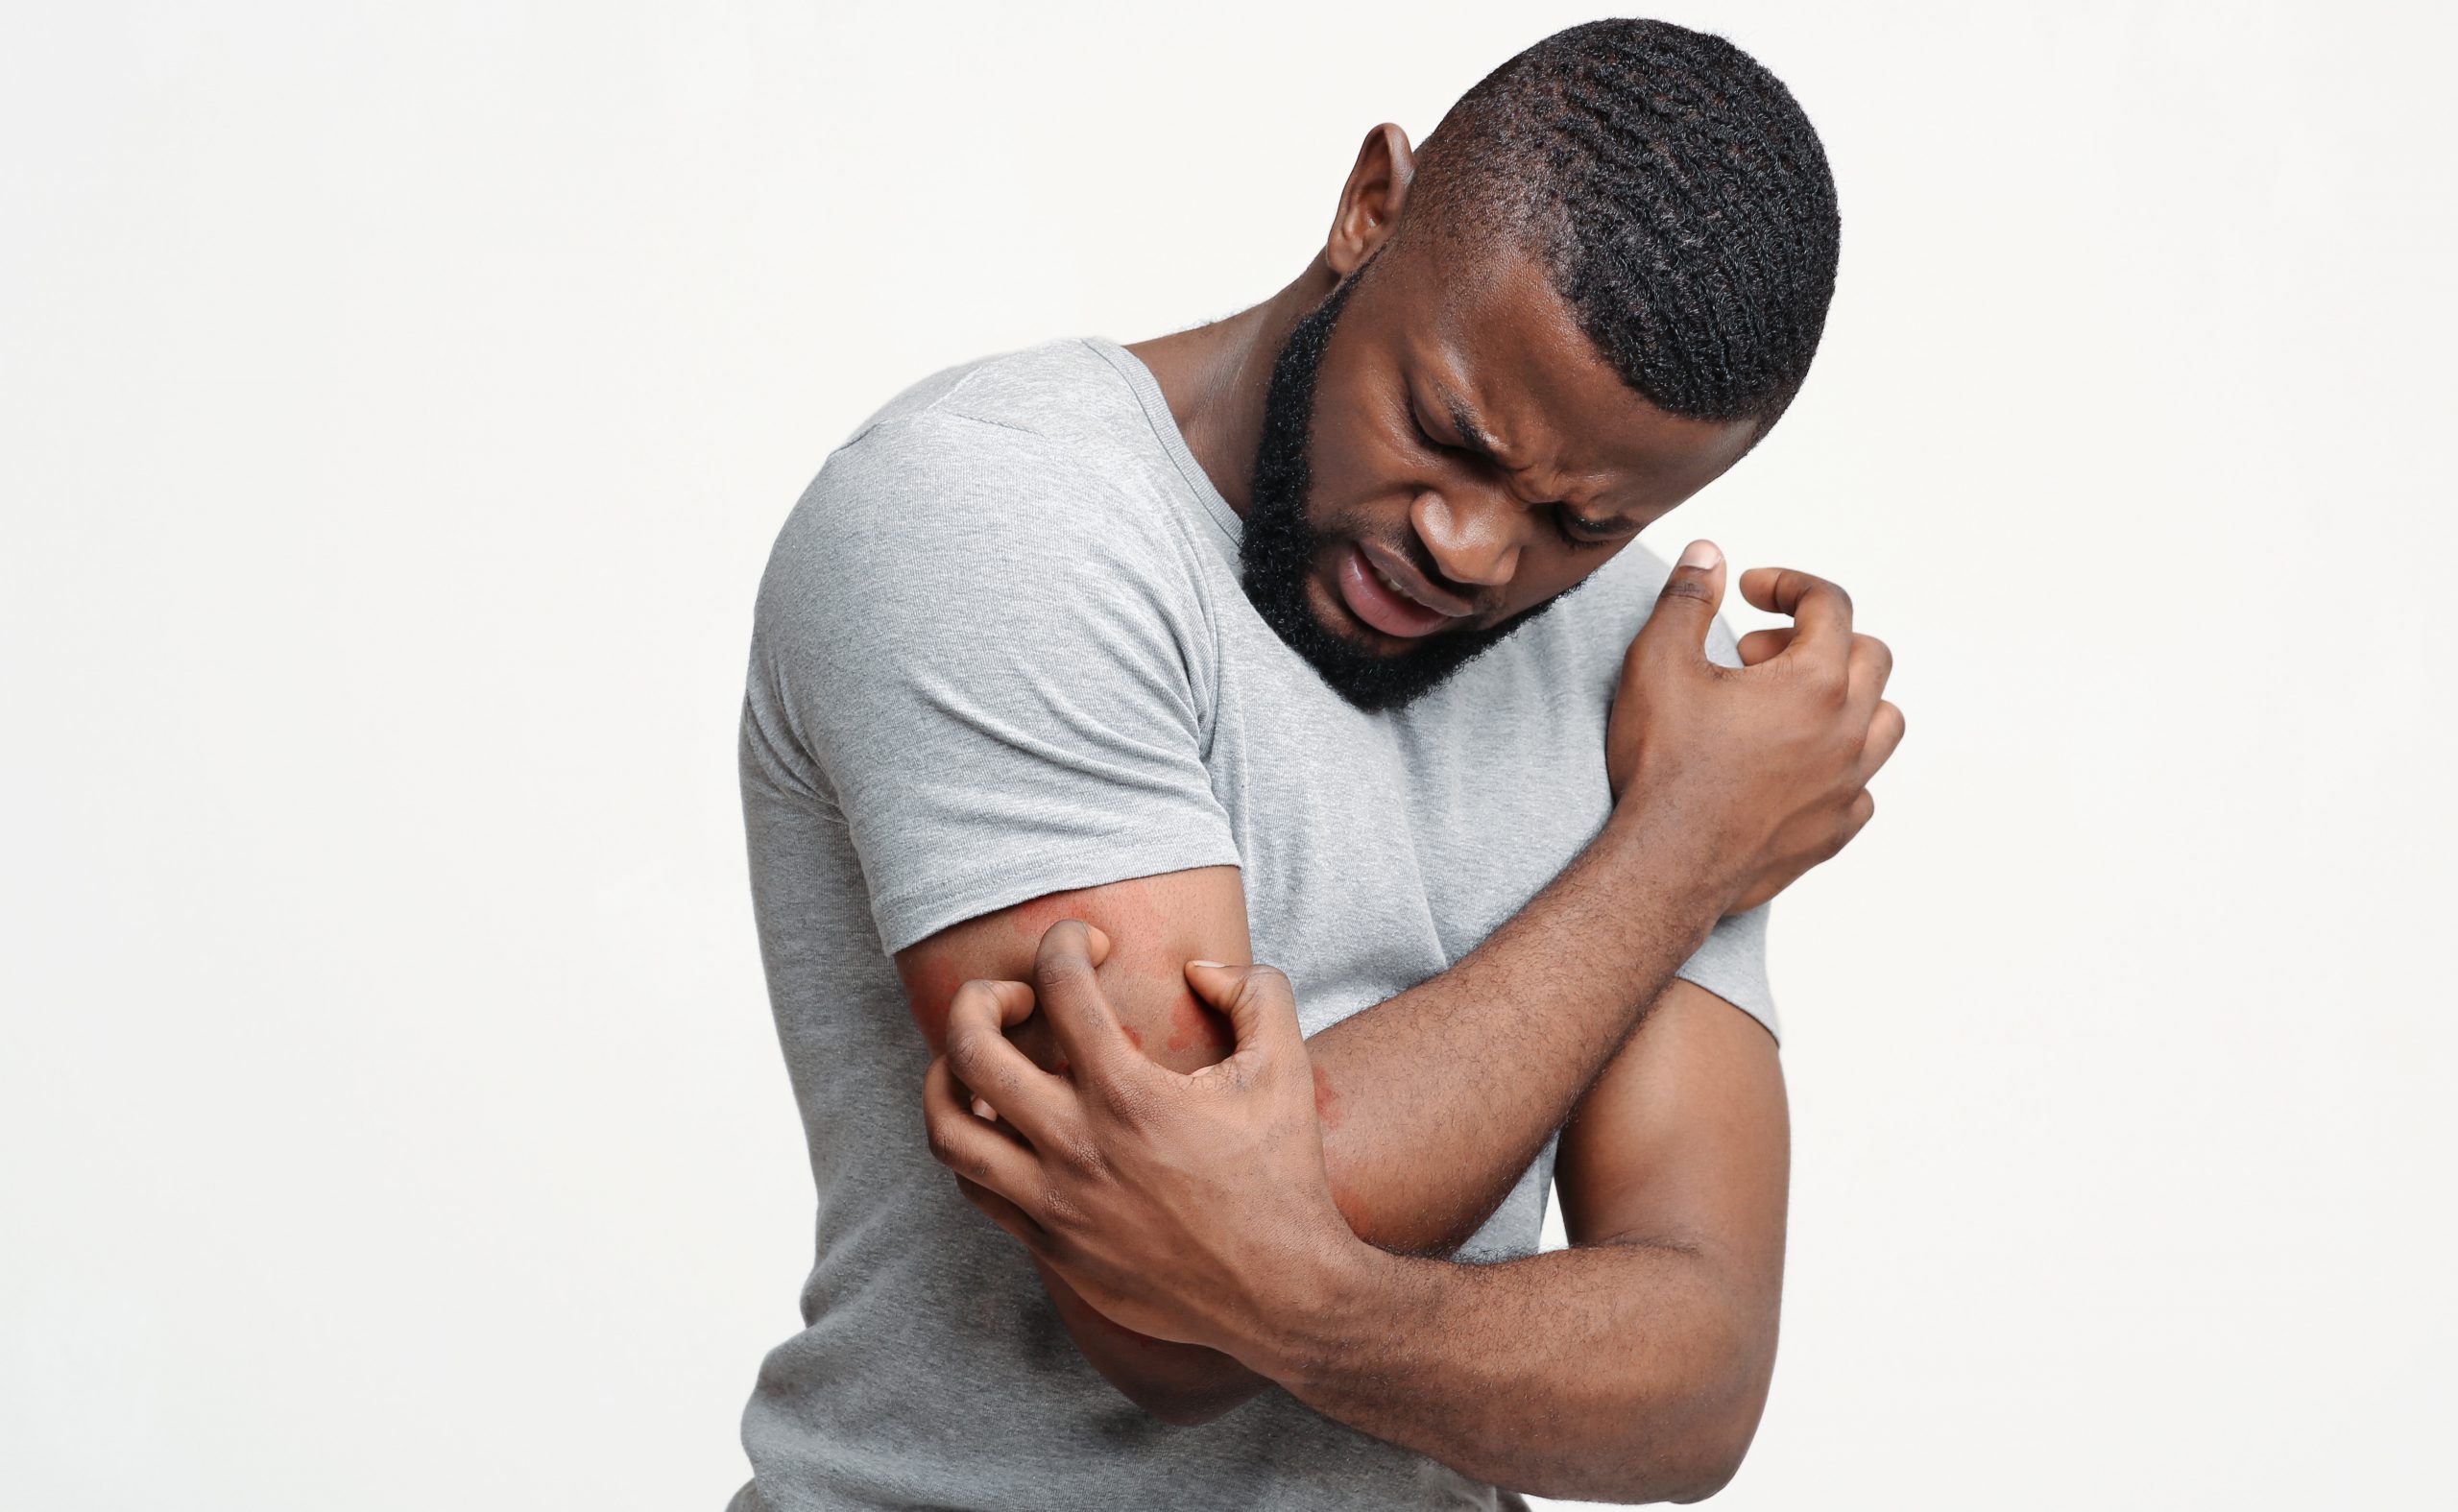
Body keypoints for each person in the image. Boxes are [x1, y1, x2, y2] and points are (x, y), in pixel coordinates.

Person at [731, 17, 1898, 1509]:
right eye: (1446, 434)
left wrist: (1305, 1299)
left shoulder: (1651, 675)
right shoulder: (1000, 517)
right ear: (1370, 207)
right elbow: (1155, 1321)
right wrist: (1676, 853)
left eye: (1578, 522)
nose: (1470, 546)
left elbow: (1697, 1392)